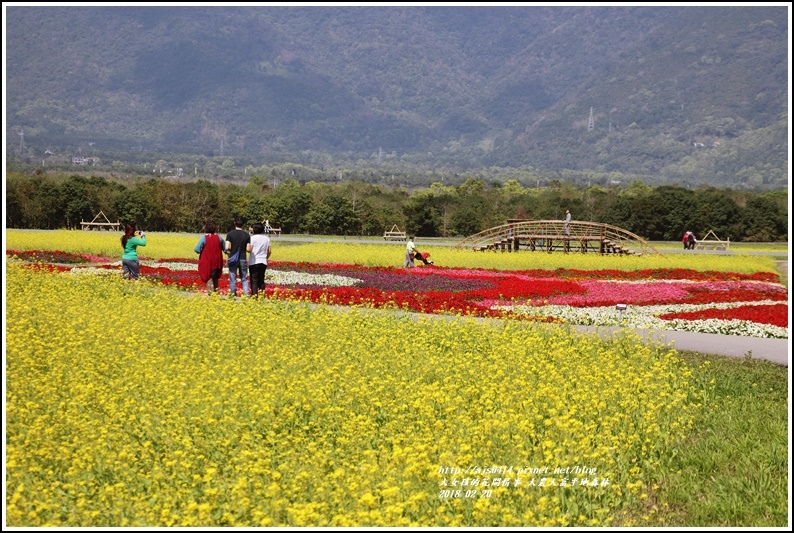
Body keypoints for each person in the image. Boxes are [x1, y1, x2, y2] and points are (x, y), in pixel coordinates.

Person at [194, 221, 225, 295]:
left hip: (207, 261)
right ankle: (215, 293)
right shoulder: (219, 238)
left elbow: (196, 249)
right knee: (215, 277)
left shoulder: (204, 238)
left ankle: (211, 294)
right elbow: (225, 249)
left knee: (209, 277)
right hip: (217, 261)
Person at [225, 217, 251, 297]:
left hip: (233, 258)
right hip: (242, 258)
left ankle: (233, 294)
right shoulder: (247, 235)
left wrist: (230, 253)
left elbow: (227, 247)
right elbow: (248, 249)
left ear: (234, 223)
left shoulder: (230, 234)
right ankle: (246, 295)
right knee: (244, 278)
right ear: (243, 225)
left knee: (233, 277)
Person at [248, 222, 272, 297]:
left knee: (254, 280)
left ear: (254, 230)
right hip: (263, 261)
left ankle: (255, 296)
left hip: (254, 261)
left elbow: (249, 249)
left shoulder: (252, 238)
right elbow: (269, 251)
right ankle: (262, 295)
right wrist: (266, 257)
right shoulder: (266, 239)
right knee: (261, 279)